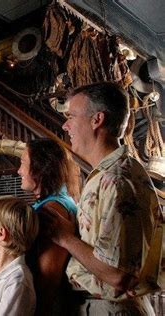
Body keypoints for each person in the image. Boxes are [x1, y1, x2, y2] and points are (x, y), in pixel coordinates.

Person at [47, 82, 162, 314]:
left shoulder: (117, 180)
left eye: (71, 116)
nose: (65, 125)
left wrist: (65, 238)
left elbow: (117, 274)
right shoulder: (104, 176)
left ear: (96, 120)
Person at [18, 137, 79, 315]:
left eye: (23, 163)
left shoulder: (53, 209)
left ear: (40, 169)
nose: (19, 170)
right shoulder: (59, 201)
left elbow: (49, 277)